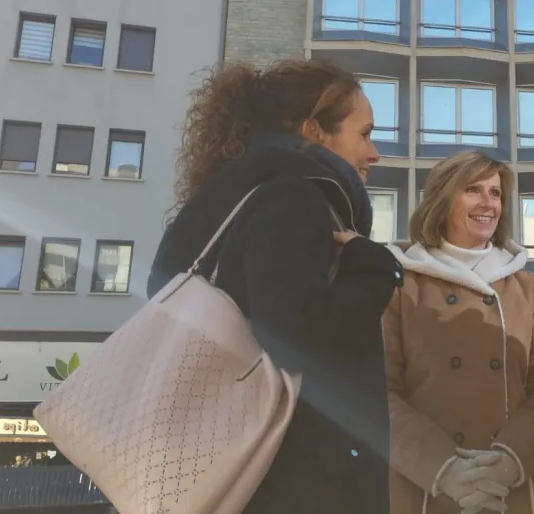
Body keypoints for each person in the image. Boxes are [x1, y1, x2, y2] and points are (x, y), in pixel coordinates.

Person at [148, 59, 403, 514]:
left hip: (234, 465)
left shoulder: (225, 200)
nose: (375, 153)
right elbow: (296, 338)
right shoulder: (293, 198)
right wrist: (375, 270)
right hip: (295, 478)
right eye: (364, 134)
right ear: (314, 130)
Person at [385, 152, 534, 514]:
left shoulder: (528, 286)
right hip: (427, 488)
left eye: (496, 193)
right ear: (442, 198)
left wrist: (506, 465)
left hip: (517, 488)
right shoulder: (399, 284)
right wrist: (447, 471)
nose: (488, 203)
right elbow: (378, 393)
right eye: (473, 190)